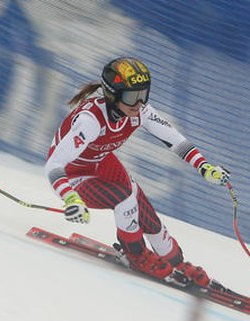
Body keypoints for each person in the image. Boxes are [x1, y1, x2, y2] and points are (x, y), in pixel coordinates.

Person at [44, 56, 230, 286]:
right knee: (124, 199)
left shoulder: (140, 111)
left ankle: (175, 261)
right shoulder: (91, 120)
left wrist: (205, 166)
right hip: (72, 175)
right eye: (132, 96)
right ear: (112, 94)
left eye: (144, 95)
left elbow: (175, 141)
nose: (139, 103)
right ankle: (136, 255)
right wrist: (70, 197)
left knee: (139, 201)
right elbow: (53, 165)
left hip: (99, 161)